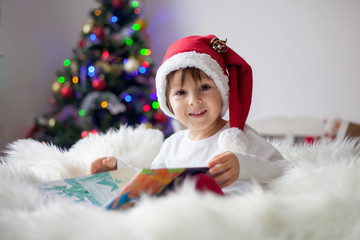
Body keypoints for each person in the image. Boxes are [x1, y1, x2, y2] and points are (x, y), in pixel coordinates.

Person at [89, 34, 288, 195]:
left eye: (204, 87)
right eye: (181, 93)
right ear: (168, 102)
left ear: (222, 91)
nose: (194, 100)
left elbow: (284, 171)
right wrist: (119, 170)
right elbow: (153, 182)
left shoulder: (239, 136)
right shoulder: (172, 145)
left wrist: (243, 165)